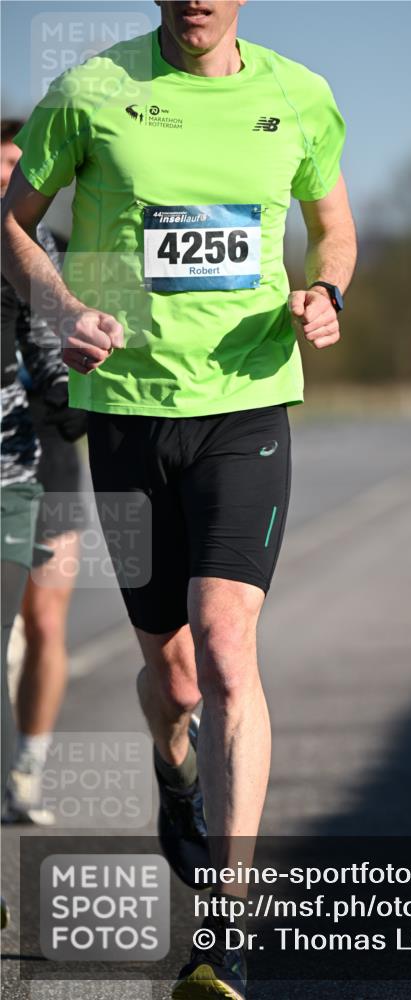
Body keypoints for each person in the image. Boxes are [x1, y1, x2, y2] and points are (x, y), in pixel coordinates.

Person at [1, 3, 356, 996]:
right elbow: (12, 227)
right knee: (176, 675)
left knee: (227, 645)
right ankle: (175, 773)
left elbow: (334, 230)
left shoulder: (298, 96)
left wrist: (327, 293)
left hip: (246, 409)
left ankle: (225, 931)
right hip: (125, 414)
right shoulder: (90, 93)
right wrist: (62, 307)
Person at [1, 119, 85, 826]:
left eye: (16, 169)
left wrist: (80, 397)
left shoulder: (51, 252)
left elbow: (61, 347)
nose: (8, 179)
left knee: (45, 621)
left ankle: (28, 767)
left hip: (50, 452)